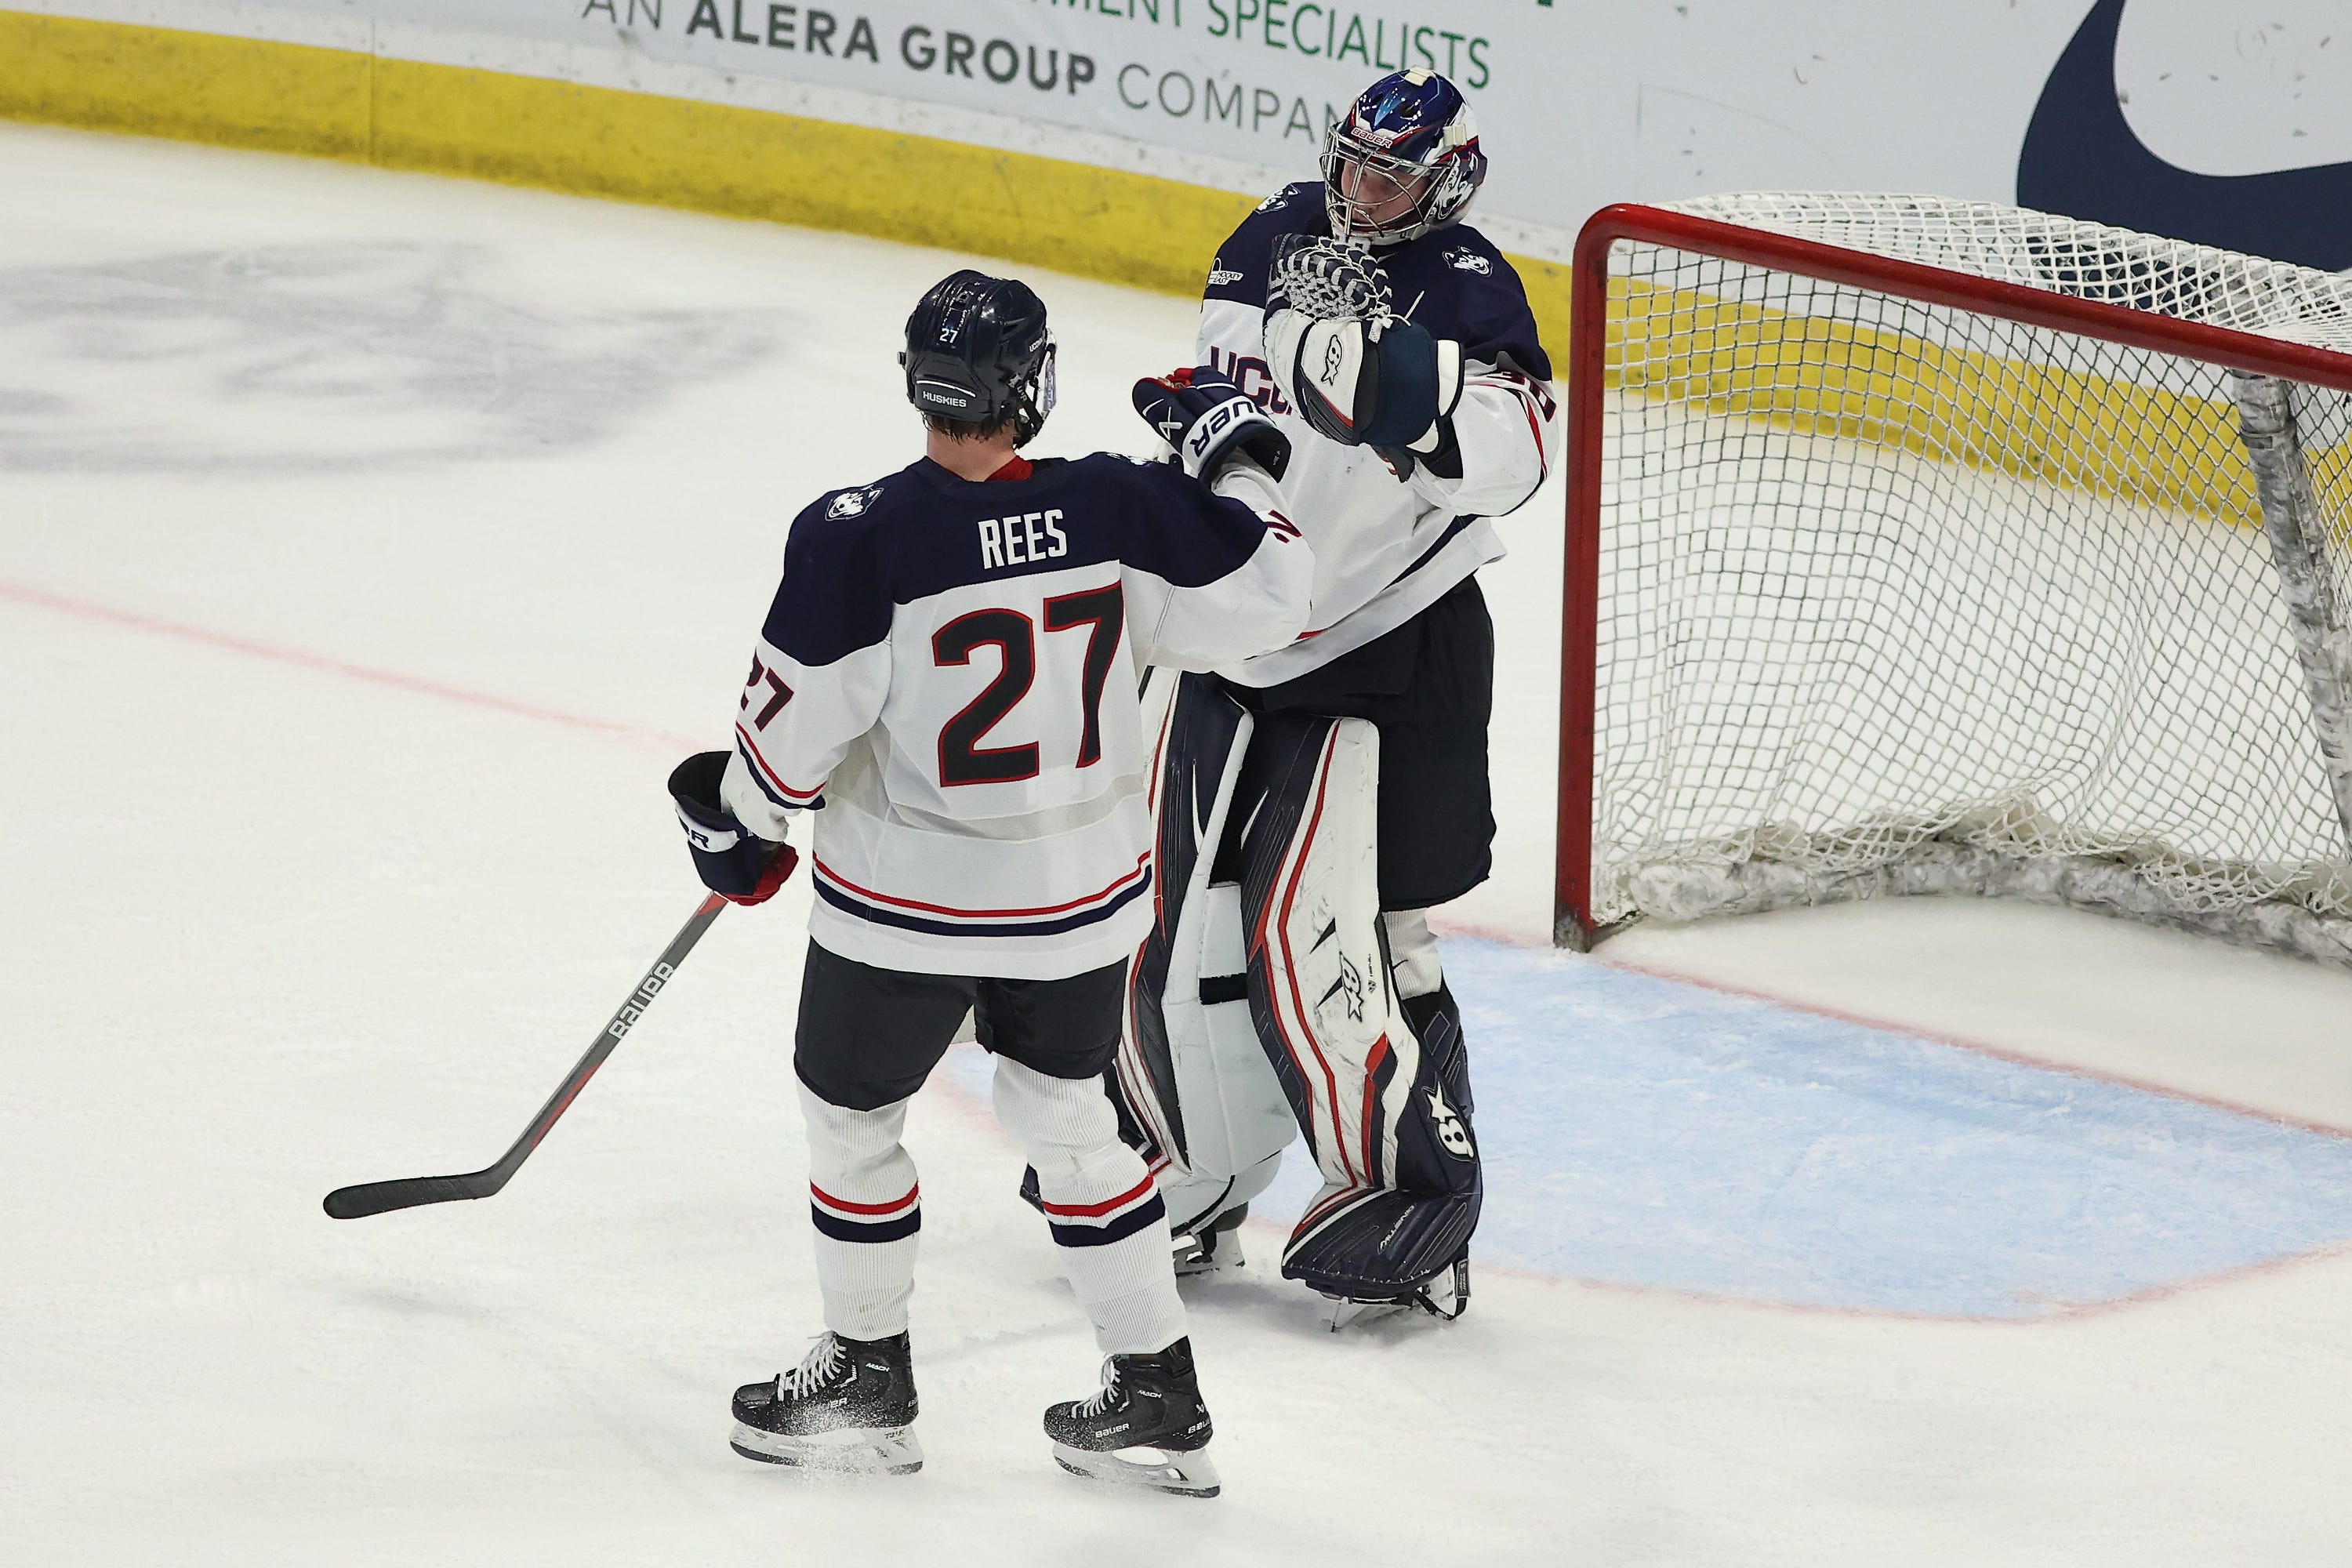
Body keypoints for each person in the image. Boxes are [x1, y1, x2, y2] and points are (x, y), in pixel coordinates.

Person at [666, 270, 1310, 1494]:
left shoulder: (859, 533)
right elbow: (1278, 597)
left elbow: (786, 749)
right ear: (1034, 386)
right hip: (1078, 908)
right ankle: (1158, 1393)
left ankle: (868, 1377)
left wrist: (733, 823)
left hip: (905, 913)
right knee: (1070, 1122)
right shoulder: (1124, 503)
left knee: (854, 1125)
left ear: (918, 382)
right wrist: (1240, 459)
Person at [1112, 67, 1558, 1323]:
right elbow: (1233, 395)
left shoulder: (1472, 290)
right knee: (1174, 920)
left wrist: (1409, 394)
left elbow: (1519, 458)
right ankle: (1185, 1175)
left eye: (1393, 175)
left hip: (1387, 649)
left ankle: (1418, 1209)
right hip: (1236, 632)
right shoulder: (1269, 234)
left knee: (1362, 939)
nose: (1363, 191)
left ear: (1449, 180)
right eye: (1353, 164)